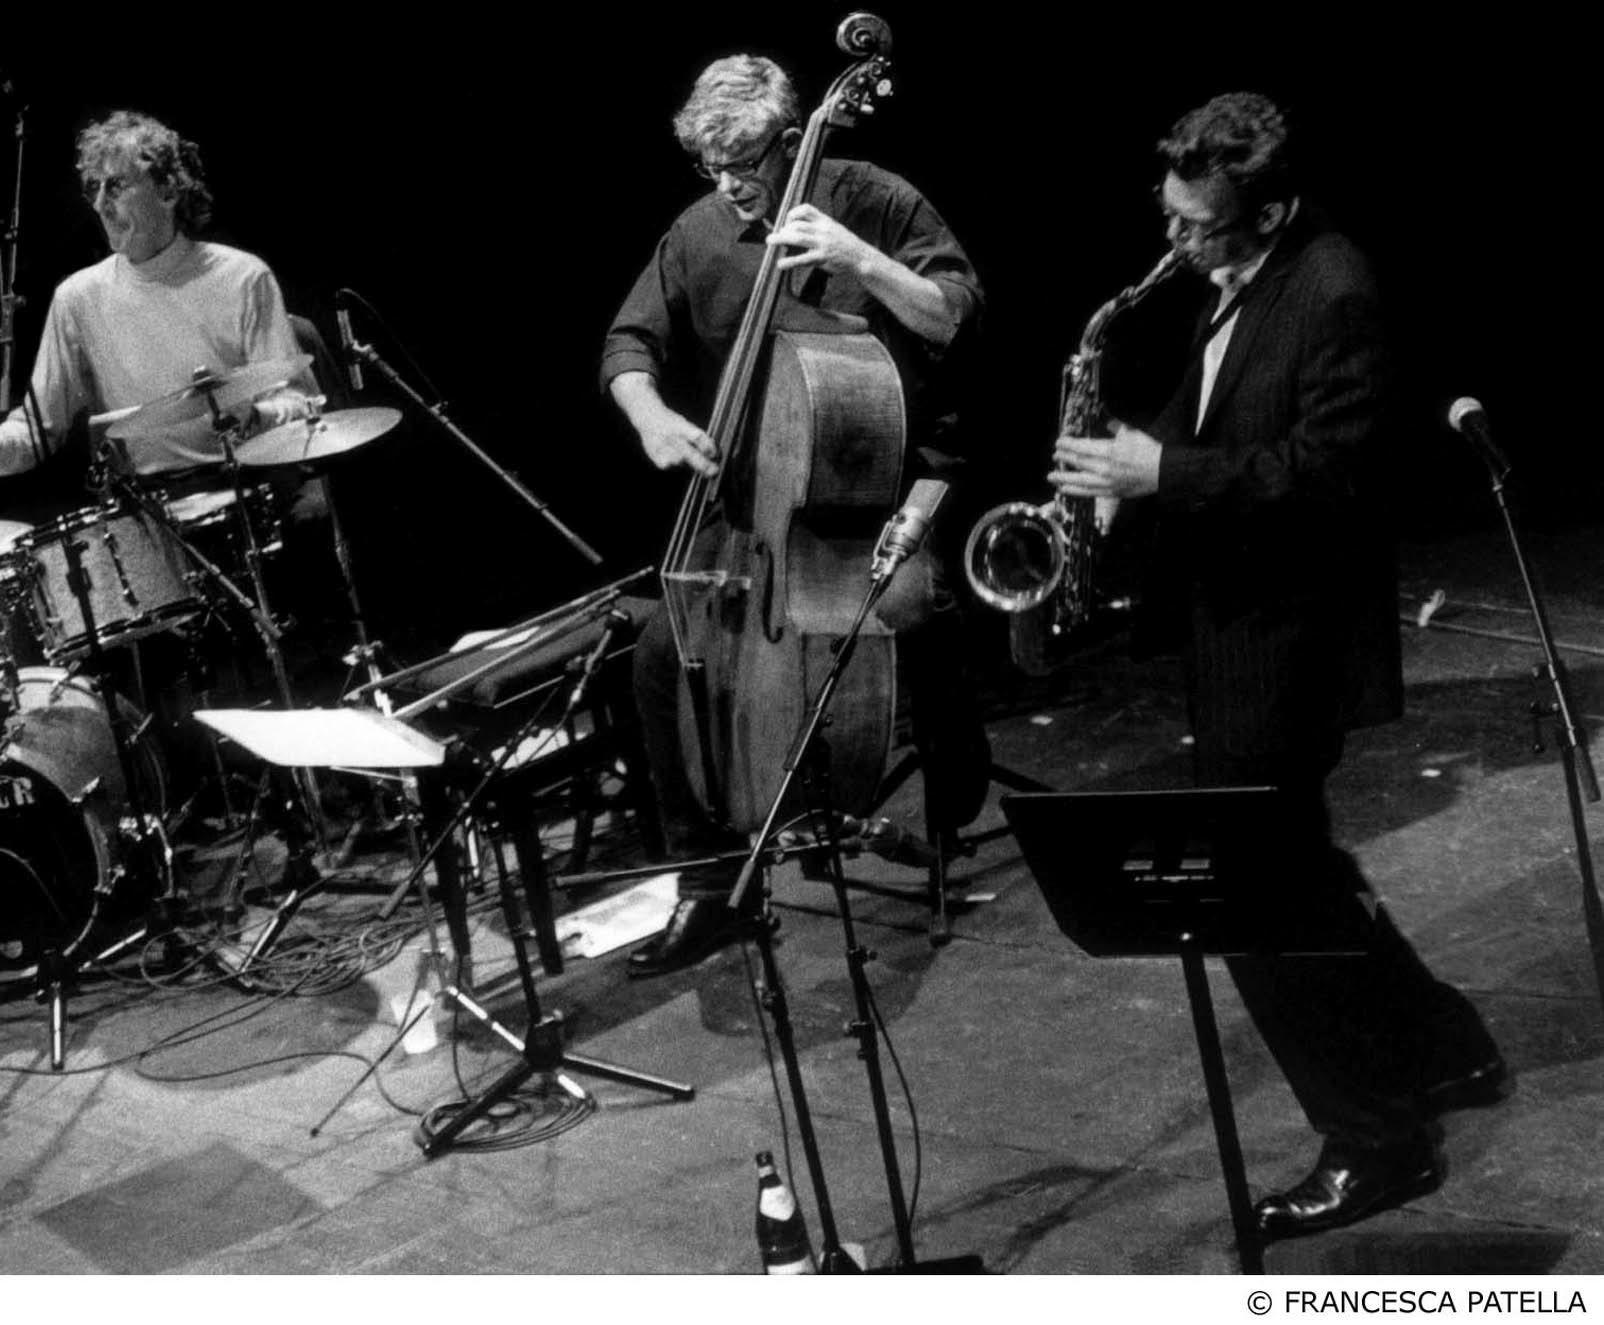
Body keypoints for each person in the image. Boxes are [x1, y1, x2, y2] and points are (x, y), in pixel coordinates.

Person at [1052, 92, 1509, 1238]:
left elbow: (1326, 476)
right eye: (1167, 216)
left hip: (1289, 640)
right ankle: (1443, 1047)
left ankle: (1375, 1138)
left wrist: (1164, 476)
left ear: (1270, 210)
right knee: (1299, 866)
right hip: (1236, 625)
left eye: (1197, 225)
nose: (1174, 244)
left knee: (1252, 897)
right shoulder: (1236, 274)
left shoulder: (1334, 288)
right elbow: (1213, 401)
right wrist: (1124, 467)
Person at [601, 55, 989, 977]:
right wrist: (650, 415)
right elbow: (628, 342)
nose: (728, 187)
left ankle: (949, 801)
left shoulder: (875, 199)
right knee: (661, 655)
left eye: (744, 164)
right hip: (753, 501)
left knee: (905, 612)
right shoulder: (700, 229)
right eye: (710, 167)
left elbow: (956, 317)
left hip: (886, 488)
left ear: (790, 140)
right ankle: (710, 886)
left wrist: (860, 259)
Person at [0, 109, 315, 491]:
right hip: (150, 506)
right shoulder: (78, 298)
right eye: (93, 188)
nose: (99, 204)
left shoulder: (243, 277)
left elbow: (300, 403)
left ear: (168, 191)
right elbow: (37, 430)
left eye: (117, 186)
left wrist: (258, 417)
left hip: (251, 485)